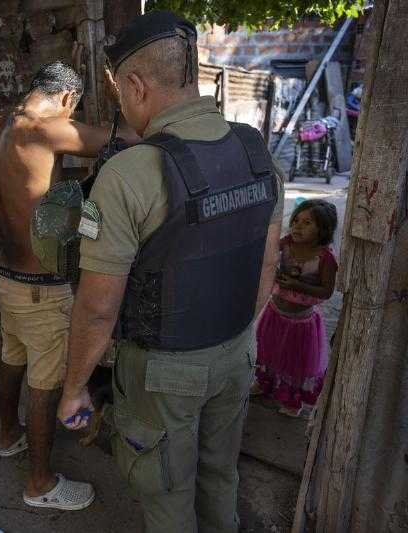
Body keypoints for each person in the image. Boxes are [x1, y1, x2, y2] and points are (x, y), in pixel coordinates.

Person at [56, 11, 285, 532]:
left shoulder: (129, 174)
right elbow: (268, 266)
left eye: (118, 95)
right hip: (236, 355)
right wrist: (226, 339)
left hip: (164, 374)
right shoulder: (255, 150)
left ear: (134, 85)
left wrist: (74, 388)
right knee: (219, 477)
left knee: (166, 495)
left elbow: (97, 309)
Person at [0, 59, 137, 511]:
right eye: (73, 108)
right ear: (68, 98)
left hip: (5, 277)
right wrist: (116, 97)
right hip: (40, 288)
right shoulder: (48, 127)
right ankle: (40, 483)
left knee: (12, 359)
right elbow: (127, 138)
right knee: (46, 385)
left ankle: (9, 436)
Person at [252, 199, 338, 418]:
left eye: (307, 223)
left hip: (301, 323)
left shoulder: (325, 257)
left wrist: (297, 285)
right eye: (296, 220)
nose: (298, 226)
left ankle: (293, 401)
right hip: (274, 313)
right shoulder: (287, 243)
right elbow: (267, 254)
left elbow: (326, 292)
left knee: (296, 363)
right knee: (268, 351)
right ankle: (265, 384)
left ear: (323, 229)